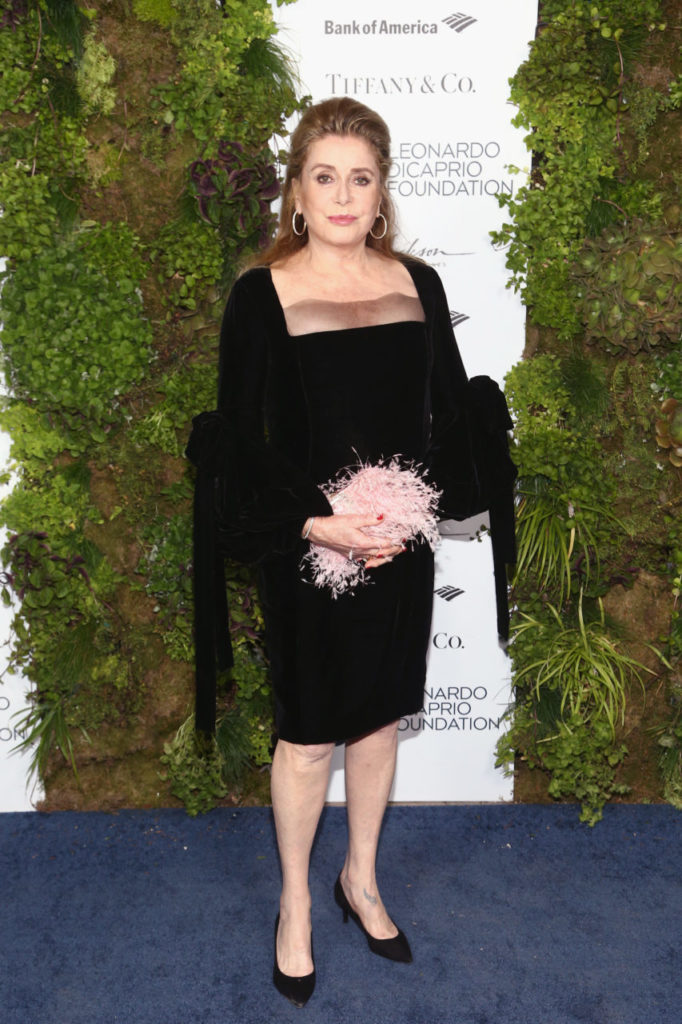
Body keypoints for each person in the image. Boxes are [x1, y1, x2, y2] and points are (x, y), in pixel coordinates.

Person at [216, 97, 470, 1007]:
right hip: (307, 550)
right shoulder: (261, 296)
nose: (342, 195)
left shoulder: (418, 284)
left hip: (397, 546)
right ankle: (296, 902)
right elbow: (242, 442)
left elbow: (445, 418)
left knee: (378, 721)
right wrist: (316, 523)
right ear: (295, 191)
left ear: (381, 192)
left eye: (361, 178)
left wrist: (408, 512)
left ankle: (359, 877)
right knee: (307, 735)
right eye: (324, 176)